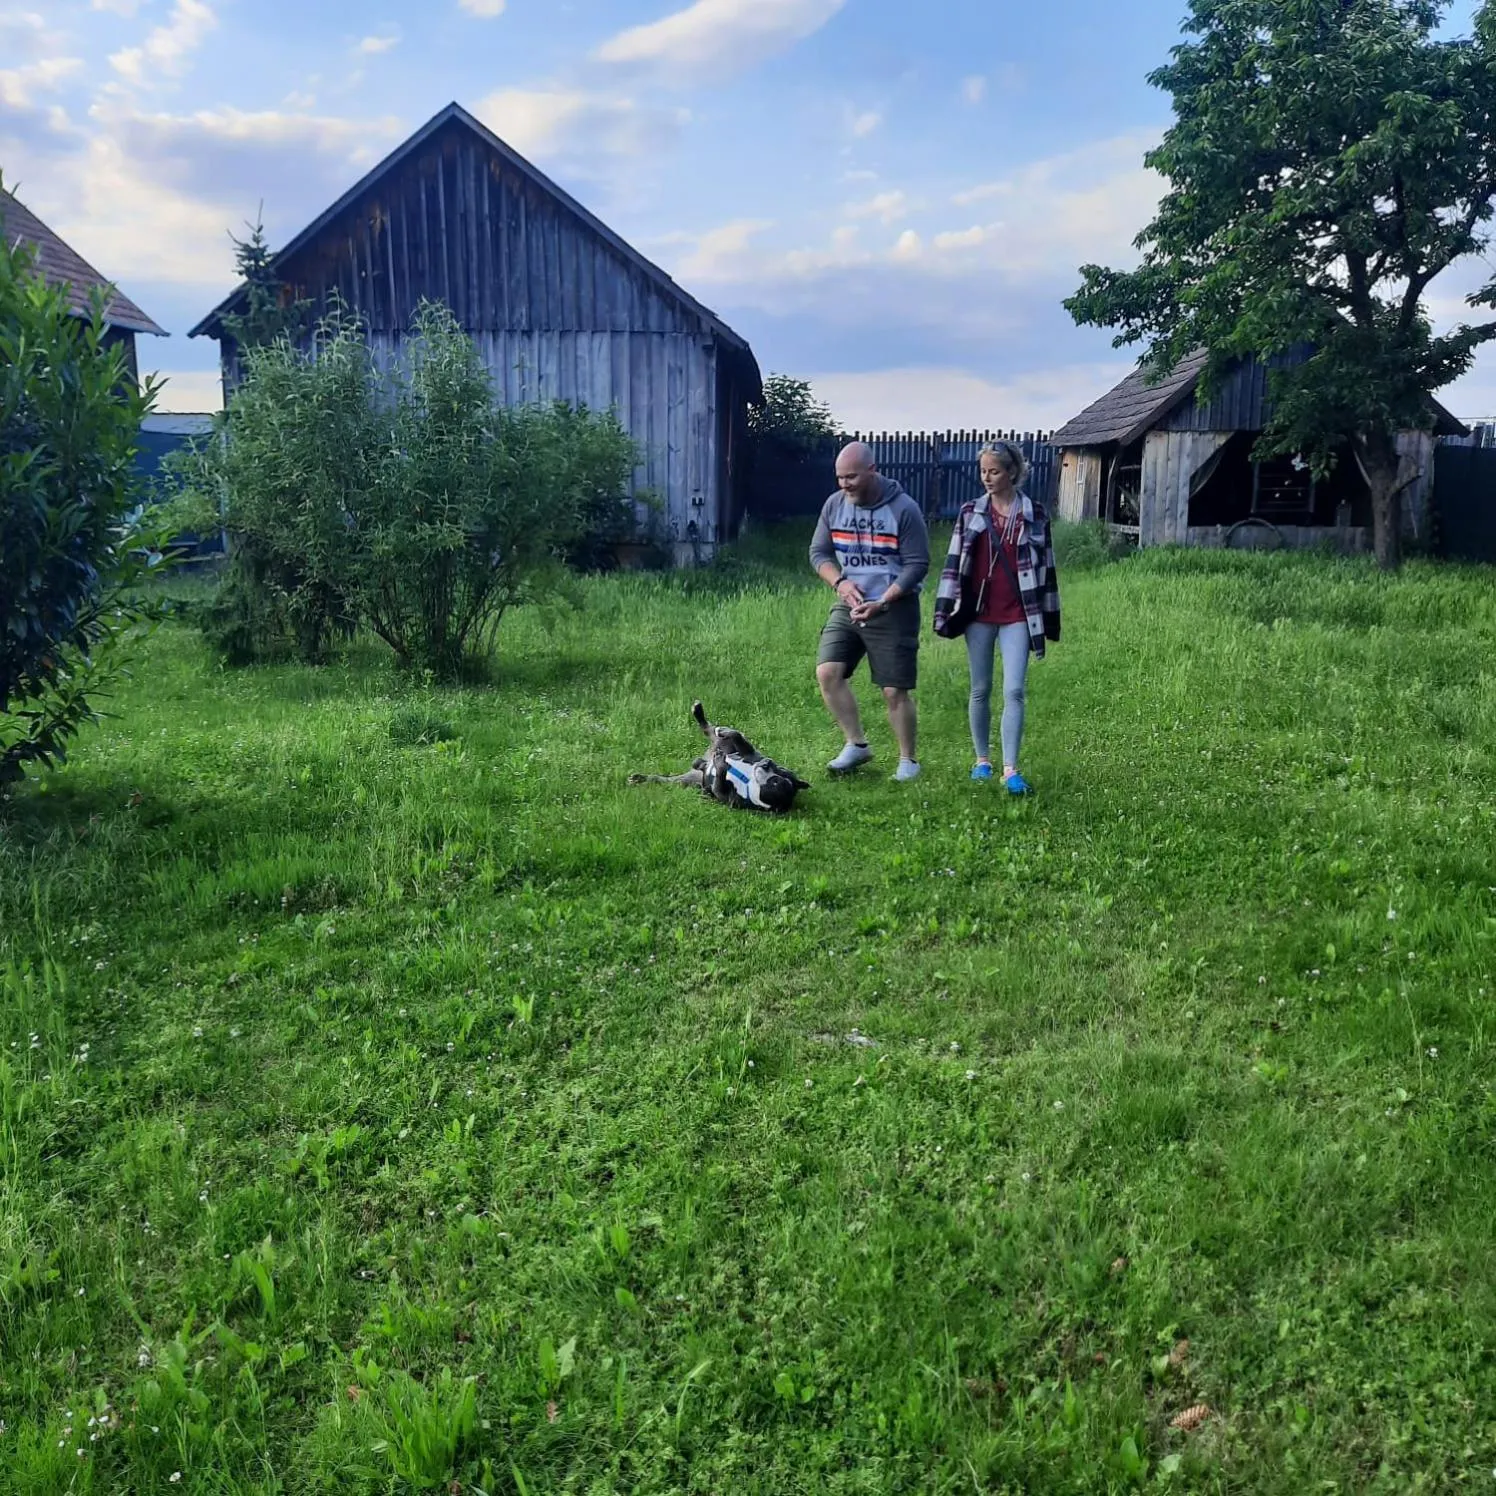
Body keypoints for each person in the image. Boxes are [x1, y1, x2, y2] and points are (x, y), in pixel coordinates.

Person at [932, 440, 1061, 793]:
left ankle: (1010, 768)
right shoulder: (970, 511)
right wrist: (945, 609)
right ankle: (982, 761)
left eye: (994, 471)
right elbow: (953, 563)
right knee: (981, 688)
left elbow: (1047, 569)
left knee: (1015, 689)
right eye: (983, 471)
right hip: (978, 614)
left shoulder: (1034, 513)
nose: (987, 478)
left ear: (1012, 473)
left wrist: (1050, 618)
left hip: (1019, 613)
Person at [809, 442, 931, 781]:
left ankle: (908, 761)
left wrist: (885, 599)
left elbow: (918, 564)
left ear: (872, 471)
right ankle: (857, 744)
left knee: (893, 689)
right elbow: (818, 553)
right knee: (828, 672)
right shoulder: (834, 506)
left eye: (851, 477)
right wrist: (841, 584)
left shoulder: (904, 509)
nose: (844, 484)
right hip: (850, 602)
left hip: (894, 606)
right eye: (839, 478)